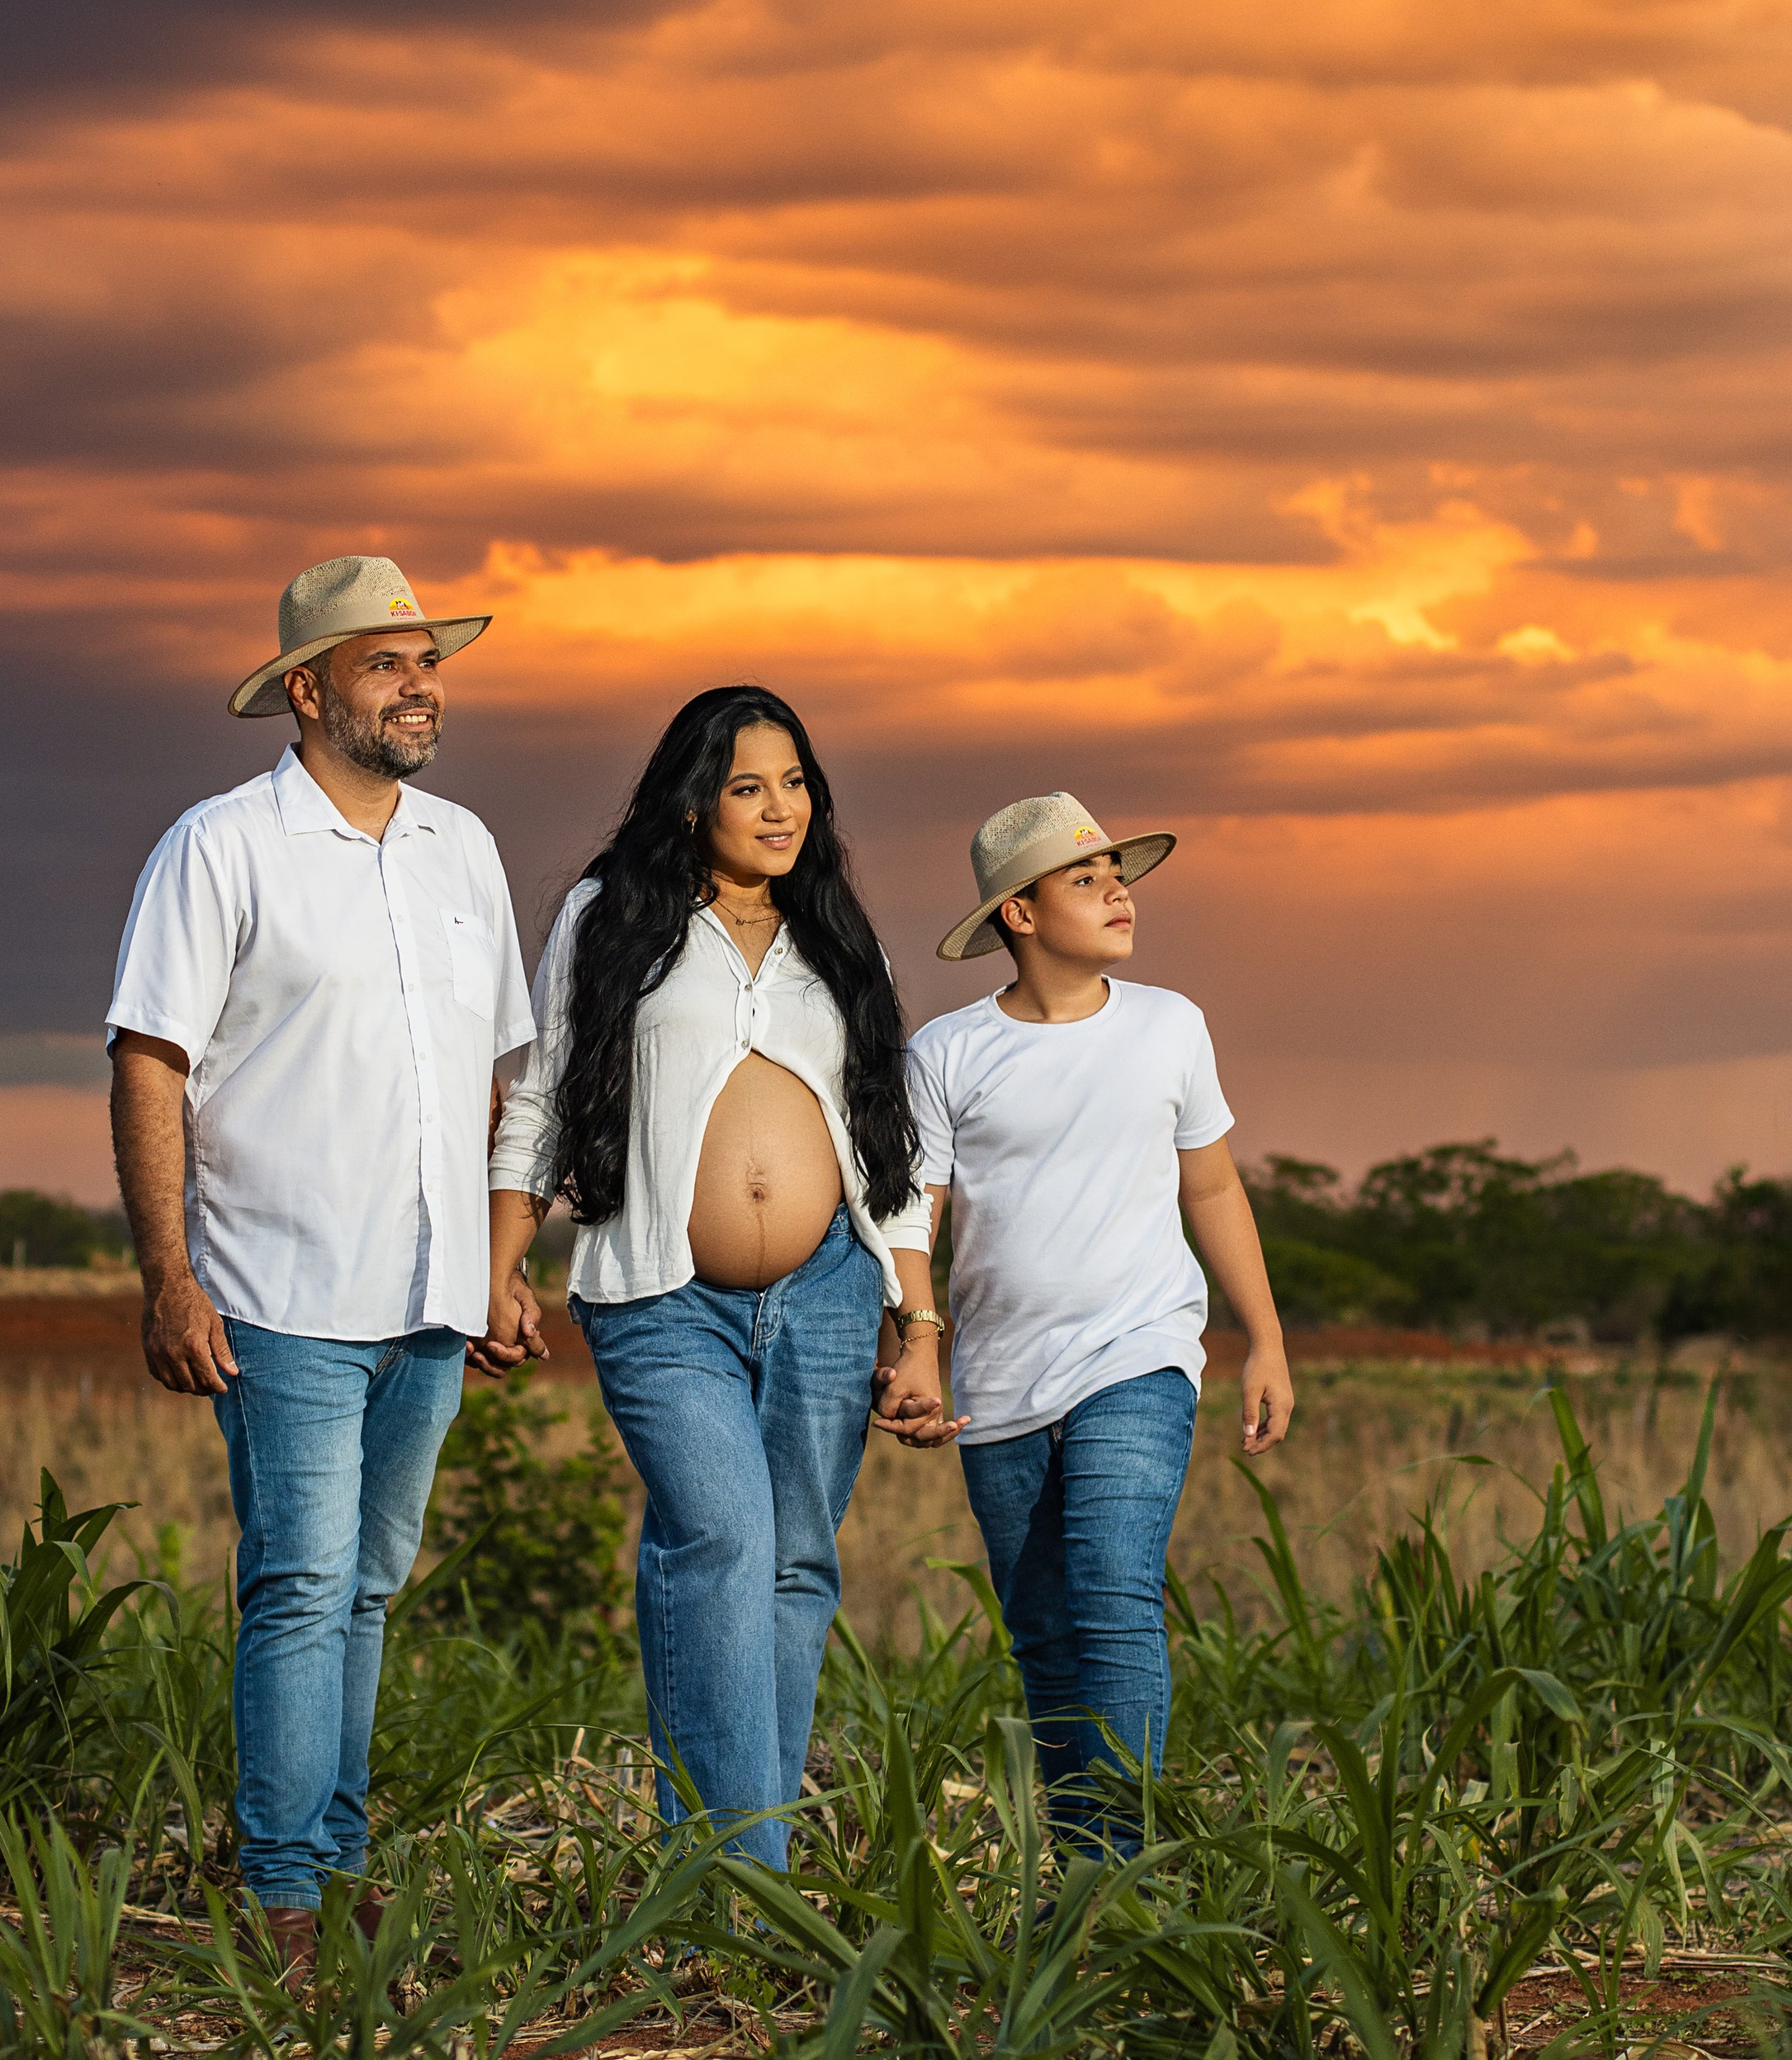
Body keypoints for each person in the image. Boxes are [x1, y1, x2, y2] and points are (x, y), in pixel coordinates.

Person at [106, 553, 532, 1968]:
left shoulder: (463, 849)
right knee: (299, 1580)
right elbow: (151, 1060)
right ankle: (280, 1889)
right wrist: (170, 1276)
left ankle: (336, 1865)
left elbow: (501, 1071)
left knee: (367, 1585)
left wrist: (501, 1257)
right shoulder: (219, 845)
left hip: (429, 1294)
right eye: (388, 662)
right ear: (308, 689)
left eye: (429, 660)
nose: (423, 684)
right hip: (278, 1289)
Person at [482, 686, 957, 1867]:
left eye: (796, 783)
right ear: (693, 799)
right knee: (724, 1539)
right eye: (749, 785)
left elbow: (883, 1142)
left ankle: (720, 1858)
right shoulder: (609, 918)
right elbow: (542, 1099)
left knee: (796, 1561)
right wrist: (502, 1268)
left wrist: (919, 1321)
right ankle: (752, 1880)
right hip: (659, 1295)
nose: (780, 807)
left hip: (834, 1290)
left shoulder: (841, 936)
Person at [907, 792, 1293, 1850]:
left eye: (1118, 874)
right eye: (1086, 880)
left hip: (1142, 1351)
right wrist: (917, 1344)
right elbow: (915, 1217)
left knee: (1113, 1597)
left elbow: (1211, 1189)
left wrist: (1261, 1337)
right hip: (996, 1380)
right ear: (1019, 915)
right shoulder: (946, 1051)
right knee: (1042, 1633)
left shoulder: (1170, 1025)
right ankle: (1083, 1867)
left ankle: (1124, 1871)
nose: (1118, 892)